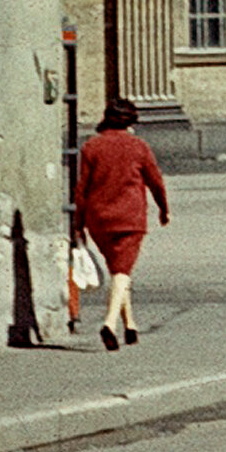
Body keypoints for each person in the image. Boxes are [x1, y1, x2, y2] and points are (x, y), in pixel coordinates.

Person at [74, 98, 168, 352]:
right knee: (122, 271)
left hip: (99, 219)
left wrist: (78, 222)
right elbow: (155, 181)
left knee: (118, 269)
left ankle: (130, 325)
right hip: (130, 218)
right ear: (131, 122)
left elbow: (82, 188)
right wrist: (163, 209)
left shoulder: (91, 147)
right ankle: (109, 323)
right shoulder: (138, 146)